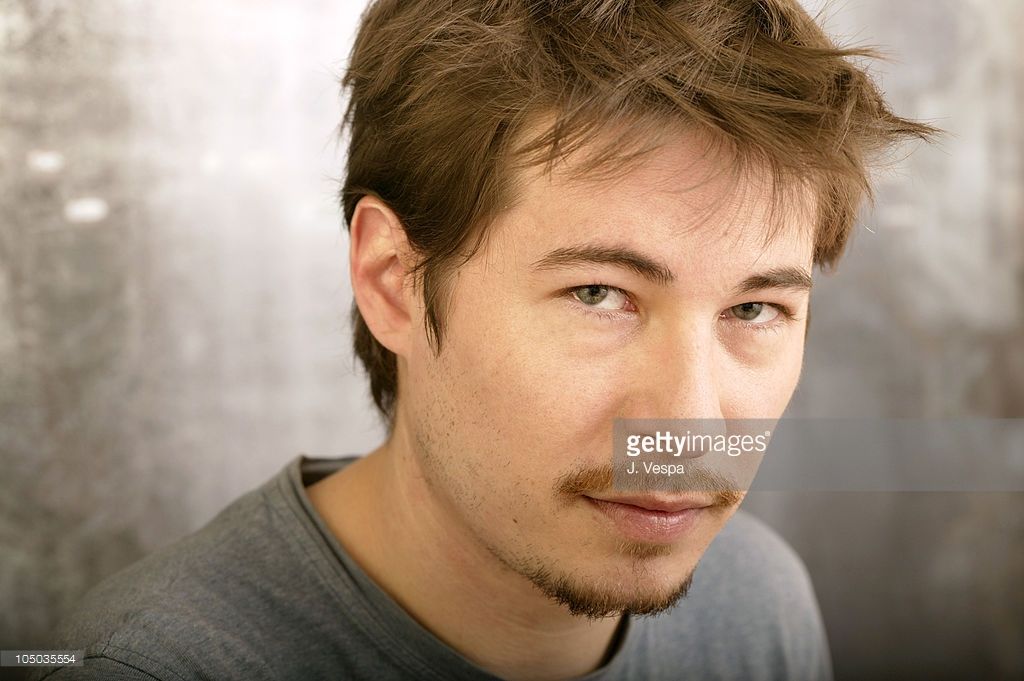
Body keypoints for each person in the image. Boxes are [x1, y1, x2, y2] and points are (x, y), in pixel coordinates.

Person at [35, 1, 935, 679]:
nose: (687, 426)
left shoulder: (760, 608)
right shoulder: (151, 665)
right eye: (599, 294)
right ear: (393, 279)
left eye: (754, 310)